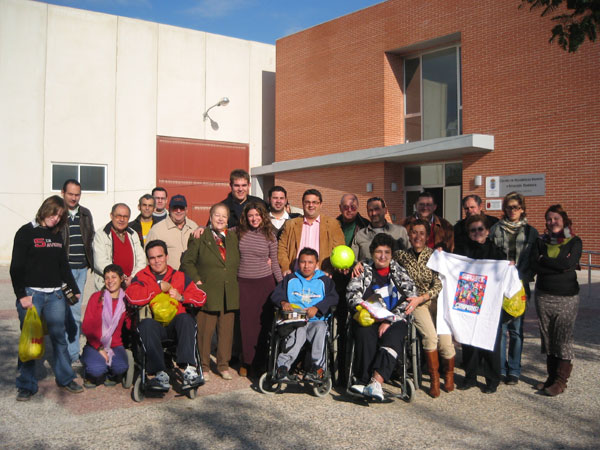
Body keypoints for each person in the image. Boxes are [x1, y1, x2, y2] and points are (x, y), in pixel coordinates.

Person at [11, 195, 83, 401]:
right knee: (30, 338)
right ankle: (26, 384)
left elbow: (63, 266)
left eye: (60, 216)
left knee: (60, 337)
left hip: (56, 296)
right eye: (54, 213)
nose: (56, 219)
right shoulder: (26, 232)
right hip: (32, 295)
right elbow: (16, 268)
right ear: (45, 209)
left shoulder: (56, 235)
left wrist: (73, 288)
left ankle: (66, 378)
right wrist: (21, 296)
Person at [126, 240, 206, 390]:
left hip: (176, 326)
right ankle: (160, 374)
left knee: (186, 319)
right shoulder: (141, 277)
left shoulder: (180, 276)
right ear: (148, 260)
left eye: (160, 256)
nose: (157, 261)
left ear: (167, 256)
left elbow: (201, 297)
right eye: (152, 258)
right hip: (154, 327)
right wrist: (158, 288)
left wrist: (182, 297)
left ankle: (189, 370)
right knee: (146, 324)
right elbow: (132, 297)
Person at [346, 233, 418, 401]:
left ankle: (376, 382)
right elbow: (352, 295)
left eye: (387, 252)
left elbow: (411, 297)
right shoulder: (363, 269)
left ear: (391, 254)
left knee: (394, 335)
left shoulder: (400, 272)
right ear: (372, 253)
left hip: (394, 318)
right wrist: (372, 312)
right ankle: (363, 381)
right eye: (379, 251)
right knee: (364, 333)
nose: (383, 256)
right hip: (369, 317)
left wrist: (388, 320)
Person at [394, 219, 454, 398]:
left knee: (445, 342)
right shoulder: (401, 256)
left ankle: (449, 375)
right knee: (430, 336)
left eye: (421, 233)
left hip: (436, 301)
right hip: (415, 303)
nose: (417, 236)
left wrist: (425, 296)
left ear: (427, 236)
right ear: (409, 235)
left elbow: (438, 284)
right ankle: (434, 379)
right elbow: (381, 260)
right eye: (414, 233)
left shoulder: (436, 256)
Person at [181, 203, 240, 381]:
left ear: (228, 219)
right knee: (205, 333)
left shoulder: (233, 237)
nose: (220, 219)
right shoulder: (200, 236)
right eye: (217, 215)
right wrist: (197, 280)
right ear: (210, 216)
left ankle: (223, 365)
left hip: (228, 291)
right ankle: (204, 366)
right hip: (207, 291)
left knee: (226, 332)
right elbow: (188, 262)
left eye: (224, 216)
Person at [531, 205, 582, 396]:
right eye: (549, 219)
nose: (552, 222)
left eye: (556, 219)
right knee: (548, 337)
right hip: (544, 295)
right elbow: (535, 264)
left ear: (564, 220)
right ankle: (551, 377)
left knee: (563, 338)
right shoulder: (541, 242)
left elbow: (569, 263)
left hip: (567, 297)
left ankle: (561, 381)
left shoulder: (574, 241)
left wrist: (546, 261)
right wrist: (556, 266)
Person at [454, 214, 507, 394]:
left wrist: (510, 266)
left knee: (490, 341)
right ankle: (470, 376)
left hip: (489, 304)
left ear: (487, 231)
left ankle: (492, 379)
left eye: (480, 229)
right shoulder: (461, 252)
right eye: (473, 230)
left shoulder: (497, 252)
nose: (477, 233)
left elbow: (504, 273)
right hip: (469, 300)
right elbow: (452, 268)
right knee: (469, 341)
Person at [490, 192, 538, 385]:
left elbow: (533, 259)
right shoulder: (495, 229)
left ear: (522, 209)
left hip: (520, 287)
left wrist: (521, 279)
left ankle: (514, 370)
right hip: (500, 286)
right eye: (509, 207)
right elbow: (490, 257)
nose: (512, 211)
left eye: (516, 207)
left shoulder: (530, 232)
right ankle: (500, 368)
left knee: (516, 330)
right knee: (501, 329)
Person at [271, 247, 338, 382]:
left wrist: (318, 307)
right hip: (295, 320)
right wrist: (283, 302)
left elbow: (333, 298)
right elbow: (276, 295)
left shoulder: (325, 281)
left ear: (316, 264)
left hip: (315, 320)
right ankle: (282, 368)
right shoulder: (290, 279)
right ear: (298, 263)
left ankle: (317, 368)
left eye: (310, 262)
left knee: (320, 328)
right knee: (299, 331)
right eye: (303, 262)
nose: (306, 266)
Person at [236, 202, 283, 377]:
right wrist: (203, 228)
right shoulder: (238, 232)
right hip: (244, 284)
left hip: (265, 284)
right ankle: (246, 362)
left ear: (263, 216)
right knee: (246, 326)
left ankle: (260, 362)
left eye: (257, 215)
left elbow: (275, 263)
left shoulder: (270, 235)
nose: (254, 219)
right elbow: (219, 230)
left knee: (263, 325)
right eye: (250, 216)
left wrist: (281, 285)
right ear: (246, 218)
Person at [60, 179, 95, 364]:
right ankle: (63, 352)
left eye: (77, 194)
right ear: (63, 193)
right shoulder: (56, 213)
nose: (74, 198)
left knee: (74, 311)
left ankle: (72, 355)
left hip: (81, 270)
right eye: (70, 194)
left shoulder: (85, 214)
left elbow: (91, 239)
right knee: (59, 311)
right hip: (63, 272)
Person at [80, 264, 129, 388]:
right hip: (95, 344)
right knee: (97, 370)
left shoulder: (125, 300)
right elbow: (87, 326)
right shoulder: (96, 297)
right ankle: (90, 373)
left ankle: (110, 373)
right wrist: (99, 348)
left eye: (113, 277)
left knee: (121, 367)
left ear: (121, 279)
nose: (110, 281)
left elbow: (129, 324)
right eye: (107, 278)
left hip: (115, 345)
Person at [278, 189, 345, 275]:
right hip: (295, 275)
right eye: (307, 202)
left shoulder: (333, 225)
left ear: (321, 204)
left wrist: (329, 270)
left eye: (314, 202)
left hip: (321, 275)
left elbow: (338, 250)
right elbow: (282, 248)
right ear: (303, 204)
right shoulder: (290, 224)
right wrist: (285, 268)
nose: (311, 205)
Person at [93, 203, 146, 290]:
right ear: (111, 216)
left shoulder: (133, 234)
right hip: (109, 285)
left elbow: (141, 260)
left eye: (125, 217)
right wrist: (120, 277)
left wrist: (133, 277)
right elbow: (100, 262)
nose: (122, 219)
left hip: (130, 284)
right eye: (118, 216)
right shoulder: (101, 234)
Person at [146, 194, 198, 270]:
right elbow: (148, 260)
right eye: (175, 208)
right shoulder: (157, 230)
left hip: (191, 278)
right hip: (169, 279)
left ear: (186, 209)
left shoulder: (194, 227)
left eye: (181, 208)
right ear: (169, 209)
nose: (178, 211)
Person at [352, 197, 409, 262]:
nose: (374, 213)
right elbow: (354, 261)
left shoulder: (400, 232)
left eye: (377, 209)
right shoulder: (360, 235)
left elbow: (409, 257)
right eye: (370, 210)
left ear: (385, 210)